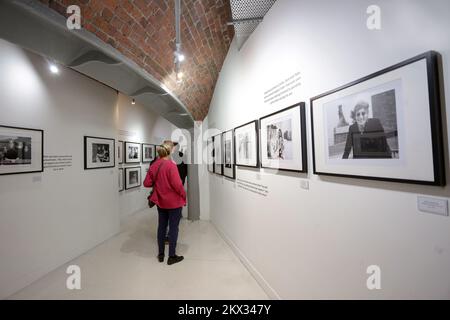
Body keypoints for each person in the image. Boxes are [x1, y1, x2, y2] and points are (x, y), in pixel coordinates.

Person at [143, 141, 186, 265]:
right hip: (174, 203)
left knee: (161, 227)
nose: (174, 150)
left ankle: (161, 254)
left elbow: (146, 183)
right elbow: (178, 185)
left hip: (161, 202)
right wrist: (184, 195)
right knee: (173, 228)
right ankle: (171, 256)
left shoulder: (154, 165)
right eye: (173, 148)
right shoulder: (171, 165)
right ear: (169, 150)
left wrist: (158, 182)